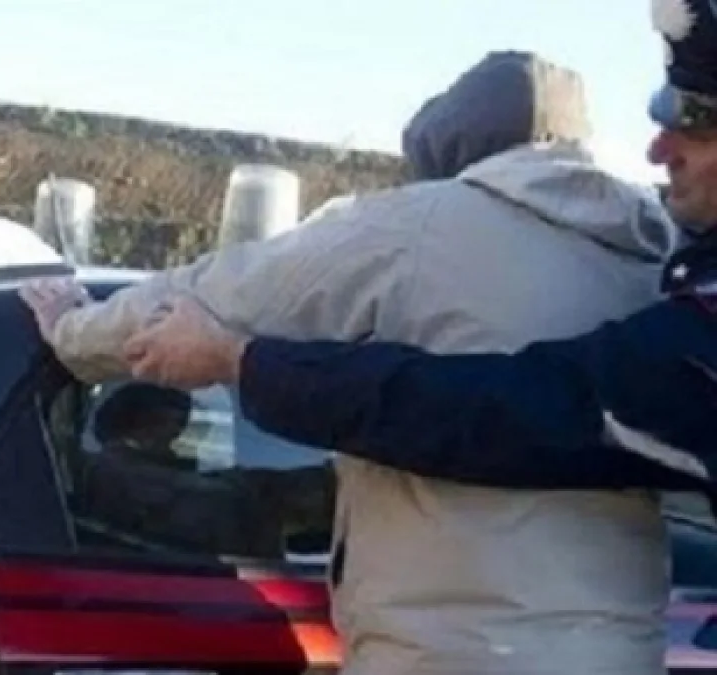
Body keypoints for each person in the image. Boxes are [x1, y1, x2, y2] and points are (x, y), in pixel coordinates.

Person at [21, 51, 679, 675]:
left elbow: (219, 294)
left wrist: (73, 332)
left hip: (453, 651)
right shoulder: (653, 253)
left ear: (449, 147)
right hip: (623, 650)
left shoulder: (421, 225)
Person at [114, 0, 717, 506]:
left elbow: (514, 412)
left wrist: (240, 362)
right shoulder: (645, 254)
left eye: (697, 121)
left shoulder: (415, 225)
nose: (658, 151)